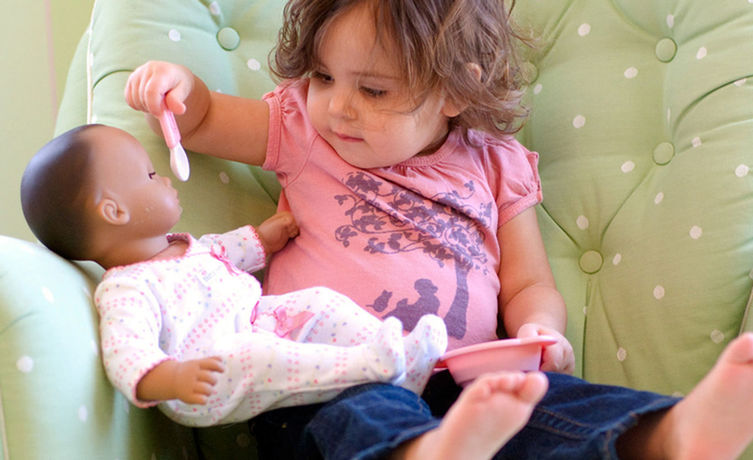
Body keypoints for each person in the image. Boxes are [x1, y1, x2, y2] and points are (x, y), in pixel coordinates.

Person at [123, 0, 753, 458]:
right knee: (358, 412)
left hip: (464, 377)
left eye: (373, 89)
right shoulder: (302, 129)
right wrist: (178, 90)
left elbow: (527, 282)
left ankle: (671, 435)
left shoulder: (493, 161)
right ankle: (422, 453)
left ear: (455, 91)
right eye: (323, 77)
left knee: (558, 403)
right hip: (329, 371)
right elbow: (205, 122)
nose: (339, 105)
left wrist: (540, 329)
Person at [19, 123, 460, 427]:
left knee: (319, 304)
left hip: (258, 322)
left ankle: (399, 356)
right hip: (211, 372)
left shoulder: (187, 248)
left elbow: (228, 251)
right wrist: (168, 377)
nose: (167, 178)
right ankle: (372, 366)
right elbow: (125, 349)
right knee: (261, 358)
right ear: (114, 211)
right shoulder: (126, 288)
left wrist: (265, 238)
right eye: (150, 175)